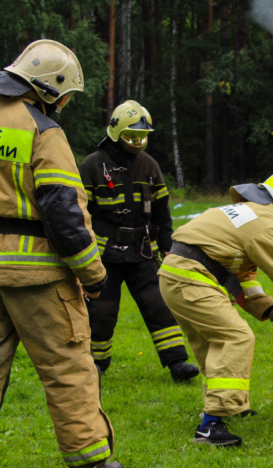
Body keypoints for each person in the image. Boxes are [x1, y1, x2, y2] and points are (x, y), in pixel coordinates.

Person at [0, 39, 123, 468]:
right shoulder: (42, 131)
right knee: (67, 367)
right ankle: (91, 463)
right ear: (50, 88)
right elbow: (64, 213)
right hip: (39, 275)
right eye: (65, 95)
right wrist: (93, 275)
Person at [157, 170, 273, 447]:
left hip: (177, 275)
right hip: (192, 278)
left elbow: (243, 280)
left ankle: (228, 407)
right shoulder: (264, 223)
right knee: (236, 337)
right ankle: (210, 427)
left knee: (212, 344)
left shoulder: (246, 213)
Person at [79, 100, 199, 382]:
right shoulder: (93, 165)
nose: (137, 143)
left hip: (142, 252)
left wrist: (167, 246)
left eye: (142, 138)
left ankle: (177, 363)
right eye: (131, 137)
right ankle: (96, 365)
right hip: (105, 253)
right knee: (102, 311)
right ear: (115, 133)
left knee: (158, 304)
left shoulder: (149, 165)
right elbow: (80, 210)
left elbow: (161, 211)